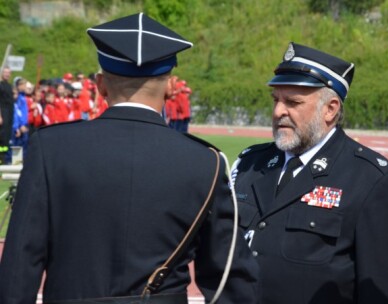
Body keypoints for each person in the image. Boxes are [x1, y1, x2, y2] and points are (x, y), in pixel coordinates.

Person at [0, 13, 258, 304]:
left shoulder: (51, 148)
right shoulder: (206, 162)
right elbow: (230, 279)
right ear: (171, 86)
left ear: (101, 84)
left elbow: (19, 266)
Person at [231, 42, 388, 304]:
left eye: (292, 102)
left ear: (330, 109)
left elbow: (385, 294)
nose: (278, 111)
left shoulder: (373, 180)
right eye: (276, 100)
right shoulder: (251, 164)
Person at [0, 67, 15, 163]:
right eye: (5, 72)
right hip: (3, 111)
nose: (7, 74)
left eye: (8, 73)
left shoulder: (9, 85)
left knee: (6, 137)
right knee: (1, 136)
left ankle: (3, 158)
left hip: (9, 112)